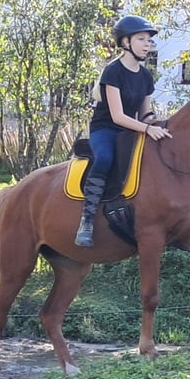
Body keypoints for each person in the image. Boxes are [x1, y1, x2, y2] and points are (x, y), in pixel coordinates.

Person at [74, 15, 173, 247]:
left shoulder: (147, 76)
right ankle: (86, 221)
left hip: (132, 130)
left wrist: (160, 125)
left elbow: (145, 113)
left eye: (149, 40)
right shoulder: (113, 72)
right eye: (142, 39)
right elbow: (118, 116)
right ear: (126, 42)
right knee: (105, 158)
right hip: (106, 129)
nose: (148, 44)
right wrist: (147, 128)